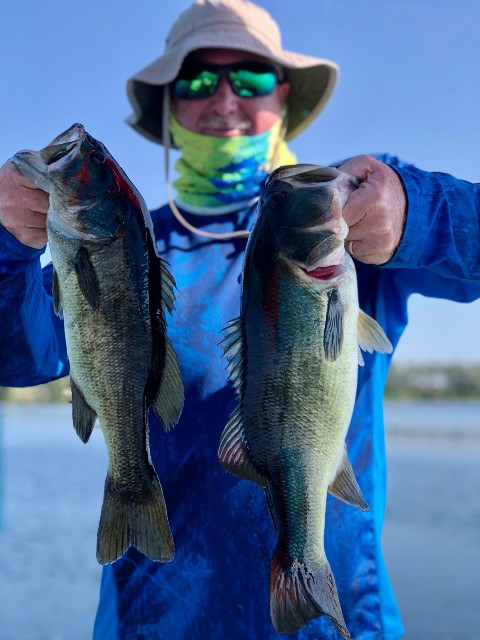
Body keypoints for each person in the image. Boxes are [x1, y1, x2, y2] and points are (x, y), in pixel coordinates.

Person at [0, 1, 479, 638]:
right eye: (198, 81)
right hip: (154, 621)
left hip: (339, 624)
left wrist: (418, 209)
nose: (224, 98)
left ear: (282, 96)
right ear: (169, 105)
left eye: (250, 79)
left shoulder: (359, 233)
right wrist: (7, 243)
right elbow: (18, 356)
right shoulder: (127, 247)